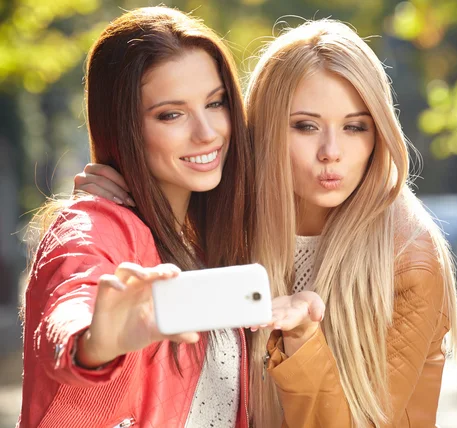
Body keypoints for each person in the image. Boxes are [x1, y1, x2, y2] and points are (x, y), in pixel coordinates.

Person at [74, 19, 457, 428]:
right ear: (266, 128)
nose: (332, 152)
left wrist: (302, 341)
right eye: (305, 126)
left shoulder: (408, 257)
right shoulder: (229, 217)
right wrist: (121, 190)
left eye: (354, 127)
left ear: (378, 133)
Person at [19, 7, 322, 428]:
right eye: (171, 114)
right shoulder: (91, 226)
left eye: (216, 103)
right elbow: (72, 299)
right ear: (123, 125)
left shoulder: (205, 240)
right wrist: (91, 342)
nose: (207, 132)